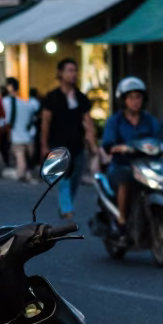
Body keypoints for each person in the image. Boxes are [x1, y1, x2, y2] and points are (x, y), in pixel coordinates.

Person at [102, 77, 163, 231]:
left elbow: (160, 138)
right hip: (122, 165)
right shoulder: (114, 121)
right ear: (123, 100)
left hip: (147, 165)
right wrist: (118, 148)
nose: (135, 101)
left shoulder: (150, 120)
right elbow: (107, 143)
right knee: (125, 179)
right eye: (131, 98)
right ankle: (121, 218)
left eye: (138, 97)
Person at [40, 58, 97, 220]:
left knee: (75, 179)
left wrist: (93, 145)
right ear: (60, 73)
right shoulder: (52, 97)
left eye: (75, 70)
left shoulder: (81, 97)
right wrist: (44, 145)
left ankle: (66, 205)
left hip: (78, 145)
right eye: (70, 70)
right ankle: (67, 209)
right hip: (58, 144)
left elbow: (88, 122)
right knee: (63, 178)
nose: (73, 74)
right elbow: (46, 122)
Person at [3, 77, 36, 182]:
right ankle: (26, 172)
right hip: (28, 136)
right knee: (24, 157)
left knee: (19, 156)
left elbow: (7, 121)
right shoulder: (25, 103)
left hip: (16, 136)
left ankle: (21, 174)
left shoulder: (7, 102)